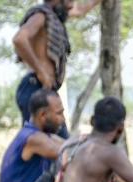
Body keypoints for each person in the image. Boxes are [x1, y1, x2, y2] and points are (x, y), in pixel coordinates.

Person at [12, 0, 101, 138]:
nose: (71, 5)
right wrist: (41, 71)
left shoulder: (54, 17)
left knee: (57, 146)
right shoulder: (41, 15)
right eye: (69, 1)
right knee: (43, 143)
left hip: (46, 91)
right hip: (35, 88)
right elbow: (20, 39)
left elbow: (80, 10)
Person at [0, 89, 66, 182]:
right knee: (64, 163)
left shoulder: (42, 135)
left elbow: (71, 146)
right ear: (43, 115)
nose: (63, 119)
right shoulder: (33, 138)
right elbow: (69, 154)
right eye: (59, 113)